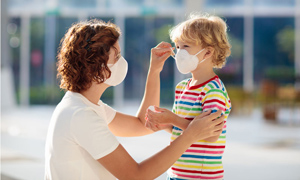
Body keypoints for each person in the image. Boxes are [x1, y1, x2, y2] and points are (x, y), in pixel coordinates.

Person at [44, 19, 225, 180]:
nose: (123, 62)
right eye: (117, 56)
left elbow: (141, 124)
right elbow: (136, 176)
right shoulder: (80, 115)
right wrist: (190, 135)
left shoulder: (88, 106)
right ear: (98, 68)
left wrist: (154, 71)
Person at [145, 13, 232, 180]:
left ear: (207, 52)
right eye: (177, 47)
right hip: (176, 172)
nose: (179, 53)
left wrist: (172, 118)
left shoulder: (213, 90)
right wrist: (164, 124)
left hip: (201, 176)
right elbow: (181, 128)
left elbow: (212, 134)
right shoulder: (182, 87)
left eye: (185, 46)